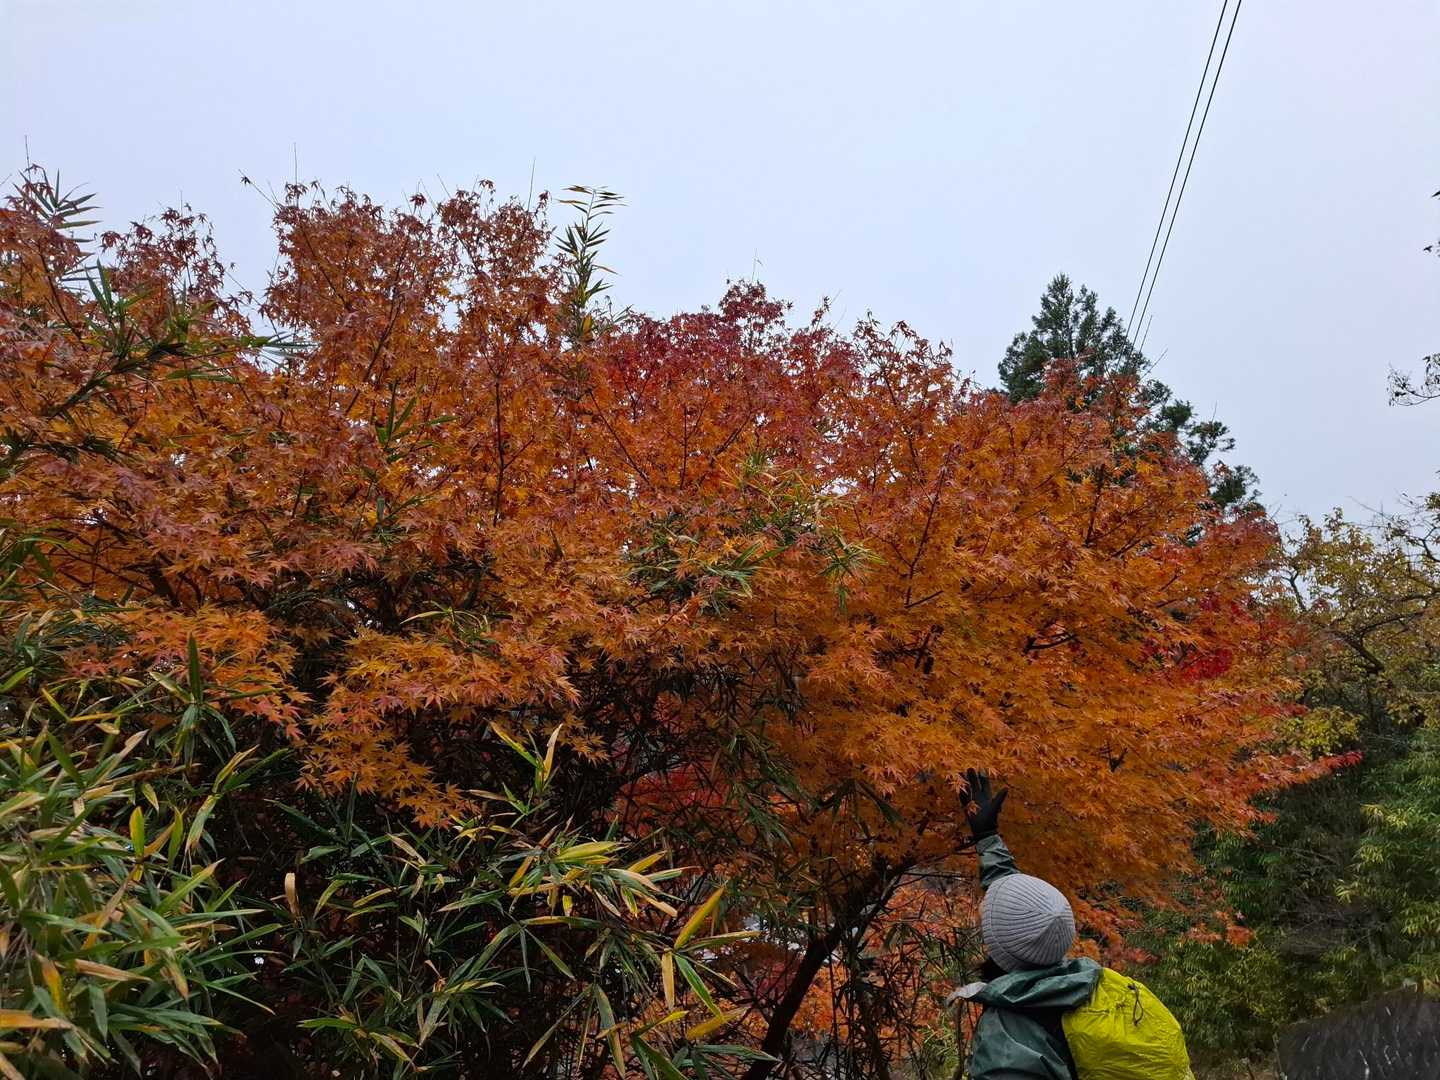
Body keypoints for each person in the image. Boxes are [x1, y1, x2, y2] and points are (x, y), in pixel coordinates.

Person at [954, 769, 1103, 1080]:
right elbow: (1016, 907)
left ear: (1000, 947)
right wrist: (987, 836)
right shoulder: (1084, 984)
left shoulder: (1007, 1033)